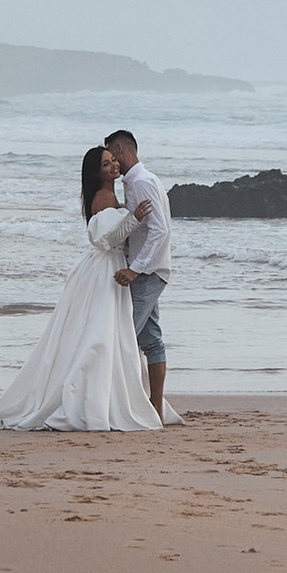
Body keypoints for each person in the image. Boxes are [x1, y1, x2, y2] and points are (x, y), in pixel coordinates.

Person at [0, 145, 177, 432]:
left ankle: (125, 397)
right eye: (106, 164)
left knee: (114, 335)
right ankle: (95, 396)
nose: (113, 166)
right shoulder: (103, 197)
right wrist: (134, 219)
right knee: (105, 337)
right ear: (96, 173)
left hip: (114, 267)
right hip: (107, 268)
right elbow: (102, 239)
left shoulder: (115, 192)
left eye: (113, 160)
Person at [104, 127, 172, 424]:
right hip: (148, 269)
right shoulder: (135, 183)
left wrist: (135, 268)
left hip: (148, 271)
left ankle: (124, 406)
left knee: (124, 338)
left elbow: (159, 230)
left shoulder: (142, 182)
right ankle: (153, 408)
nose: (112, 163)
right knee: (152, 340)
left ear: (120, 149)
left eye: (111, 155)